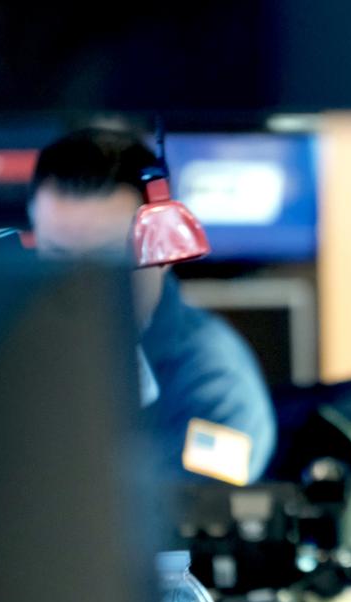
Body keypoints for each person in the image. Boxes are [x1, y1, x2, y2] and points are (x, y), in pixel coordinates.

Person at [29, 126, 276, 483]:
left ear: (163, 248)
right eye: (58, 257)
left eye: (108, 260)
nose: (78, 283)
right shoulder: (11, 354)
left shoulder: (214, 382)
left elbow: (187, 520)